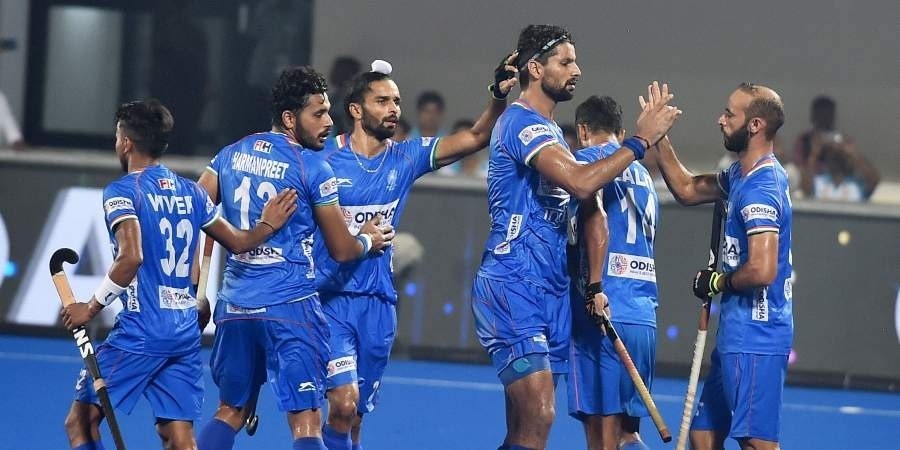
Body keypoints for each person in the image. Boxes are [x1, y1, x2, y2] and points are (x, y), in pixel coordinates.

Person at [469, 24, 680, 450]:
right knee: (541, 414)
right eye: (565, 61)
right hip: (513, 283)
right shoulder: (519, 123)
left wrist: (597, 284)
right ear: (535, 67)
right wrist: (640, 141)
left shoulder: (556, 138)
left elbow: (592, 212)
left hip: (553, 290)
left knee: (523, 428)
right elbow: (582, 184)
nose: (576, 69)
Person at [60, 99, 298, 450]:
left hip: (142, 331)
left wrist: (90, 308)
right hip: (185, 331)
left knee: (80, 422)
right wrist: (267, 225)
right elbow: (237, 242)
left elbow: (131, 258)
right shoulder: (192, 192)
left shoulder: (123, 192)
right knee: (179, 438)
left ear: (126, 142)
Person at [315, 55, 518, 450]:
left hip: (378, 303)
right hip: (330, 302)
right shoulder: (322, 160)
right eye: (383, 101)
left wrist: (497, 96)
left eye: (396, 102)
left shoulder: (404, 157)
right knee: (342, 405)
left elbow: (476, 137)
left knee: (355, 418)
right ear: (356, 110)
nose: (394, 110)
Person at [194, 66, 394, 450]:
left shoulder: (230, 153)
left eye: (328, 111)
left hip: (235, 306)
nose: (328, 122)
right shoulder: (314, 167)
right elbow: (341, 249)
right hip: (291, 308)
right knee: (306, 422)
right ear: (289, 118)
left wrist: (198, 288)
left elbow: (195, 210)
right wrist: (367, 240)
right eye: (318, 113)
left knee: (230, 412)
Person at [652, 83, 792, 450]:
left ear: (756, 124)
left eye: (730, 114)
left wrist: (718, 282)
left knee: (756, 444)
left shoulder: (762, 187)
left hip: (756, 337)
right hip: (735, 335)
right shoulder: (739, 176)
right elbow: (685, 188)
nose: (721, 119)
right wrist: (657, 137)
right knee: (703, 435)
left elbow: (762, 270)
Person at [566, 95, 659, 450]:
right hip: (643, 314)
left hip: (603, 312)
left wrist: (593, 286)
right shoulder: (643, 175)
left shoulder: (584, 164)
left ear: (583, 131)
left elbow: (592, 216)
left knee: (601, 438)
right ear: (620, 133)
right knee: (628, 434)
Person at [805, 137, 880, 201]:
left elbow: (874, 180)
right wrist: (816, 152)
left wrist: (853, 153)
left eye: (840, 156)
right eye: (831, 155)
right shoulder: (819, 181)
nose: (836, 158)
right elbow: (805, 185)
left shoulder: (857, 185)